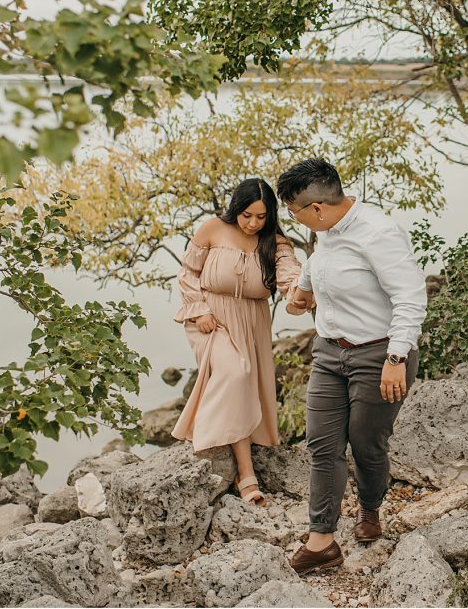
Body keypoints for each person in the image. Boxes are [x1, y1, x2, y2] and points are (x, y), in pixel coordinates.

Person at [276, 158, 427, 574]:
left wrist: (396, 358)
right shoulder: (324, 232)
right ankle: (322, 540)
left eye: (295, 212)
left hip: (379, 356)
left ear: (318, 209)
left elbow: (411, 298)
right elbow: (319, 267)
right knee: (322, 446)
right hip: (328, 354)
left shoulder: (378, 233)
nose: (295, 219)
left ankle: (370, 507)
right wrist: (302, 292)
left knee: (365, 443)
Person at [171, 178, 304, 505]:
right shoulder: (211, 229)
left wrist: (302, 293)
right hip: (210, 319)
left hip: (252, 322)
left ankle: (239, 468)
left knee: (244, 383)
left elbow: (290, 275)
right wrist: (199, 309)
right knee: (236, 374)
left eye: (261, 217)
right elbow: (188, 274)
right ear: (236, 209)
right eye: (247, 215)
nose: (253, 223)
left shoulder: (275, 242)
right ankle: (242, 470)